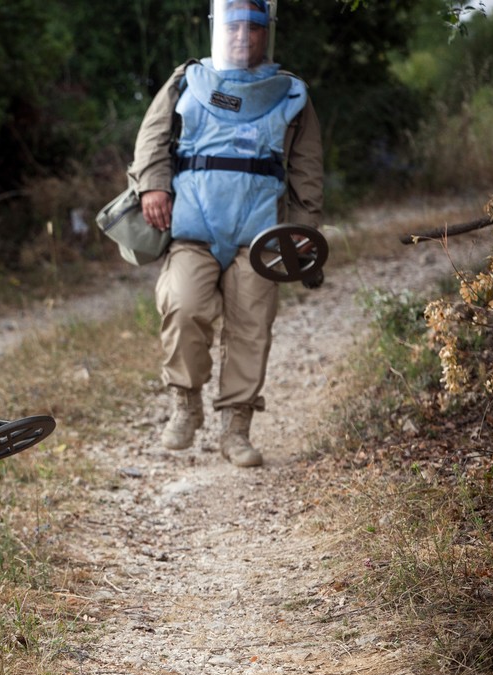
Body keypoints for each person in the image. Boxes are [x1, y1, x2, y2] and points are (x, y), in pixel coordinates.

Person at [131, 0, 323, 467]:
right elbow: (152, 137)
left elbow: (307, 169)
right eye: (234, 27)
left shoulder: (291, 93)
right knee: (182, 304)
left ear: (266, 33)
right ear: (221, 29)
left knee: (252, 325)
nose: (242, 36)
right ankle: (185, 402)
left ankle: (236, 426)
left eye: (253, 28)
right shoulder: (187, 80)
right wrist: (153, 185)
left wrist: (304, 230)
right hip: (192, 230)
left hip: (259, 237)